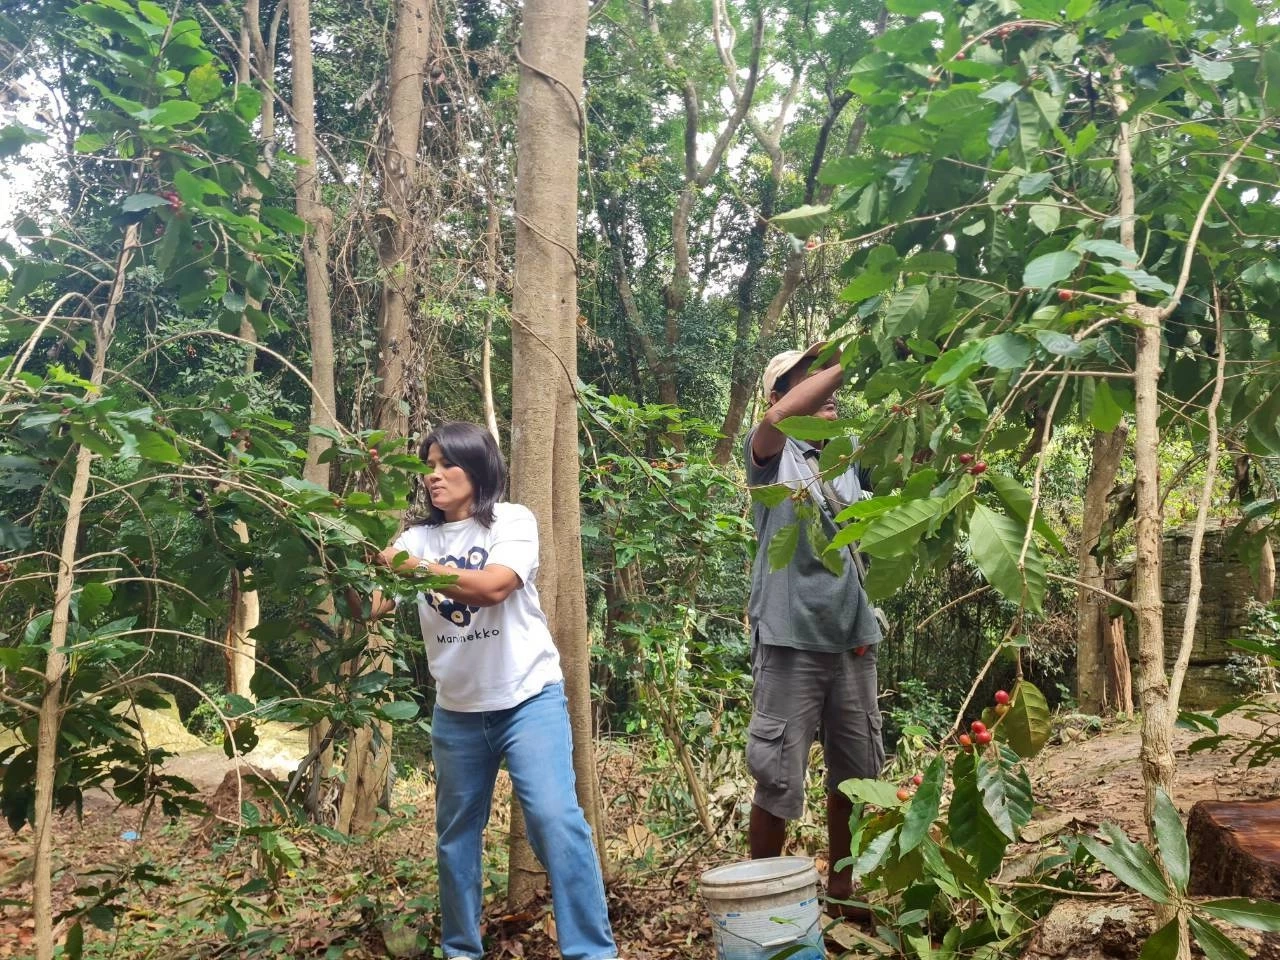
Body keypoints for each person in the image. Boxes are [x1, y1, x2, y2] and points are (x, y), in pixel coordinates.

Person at [360, 421, 620, 960]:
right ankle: (462, 952)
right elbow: (373, 605)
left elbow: (495, 586)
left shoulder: (511, 520)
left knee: (556, 820)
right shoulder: (414, 539)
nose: (433, 476)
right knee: (456, 838)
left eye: (444, 464)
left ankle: (592, 952)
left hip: (529, 698)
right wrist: (354, 560)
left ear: (477, 468)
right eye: (427, 466)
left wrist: (416, 569)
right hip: (456, 713)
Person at [742, 342, 884, 919]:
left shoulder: (849, 459)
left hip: (852, 638)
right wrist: (851, 362)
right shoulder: (771, 457)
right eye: (812, 381)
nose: (830, 390)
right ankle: (760, 901)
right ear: (781, 396)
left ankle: (844, 896)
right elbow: (773, 423)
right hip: (789, 639)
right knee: (776, 778)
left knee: (856, 775)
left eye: (830, 381)